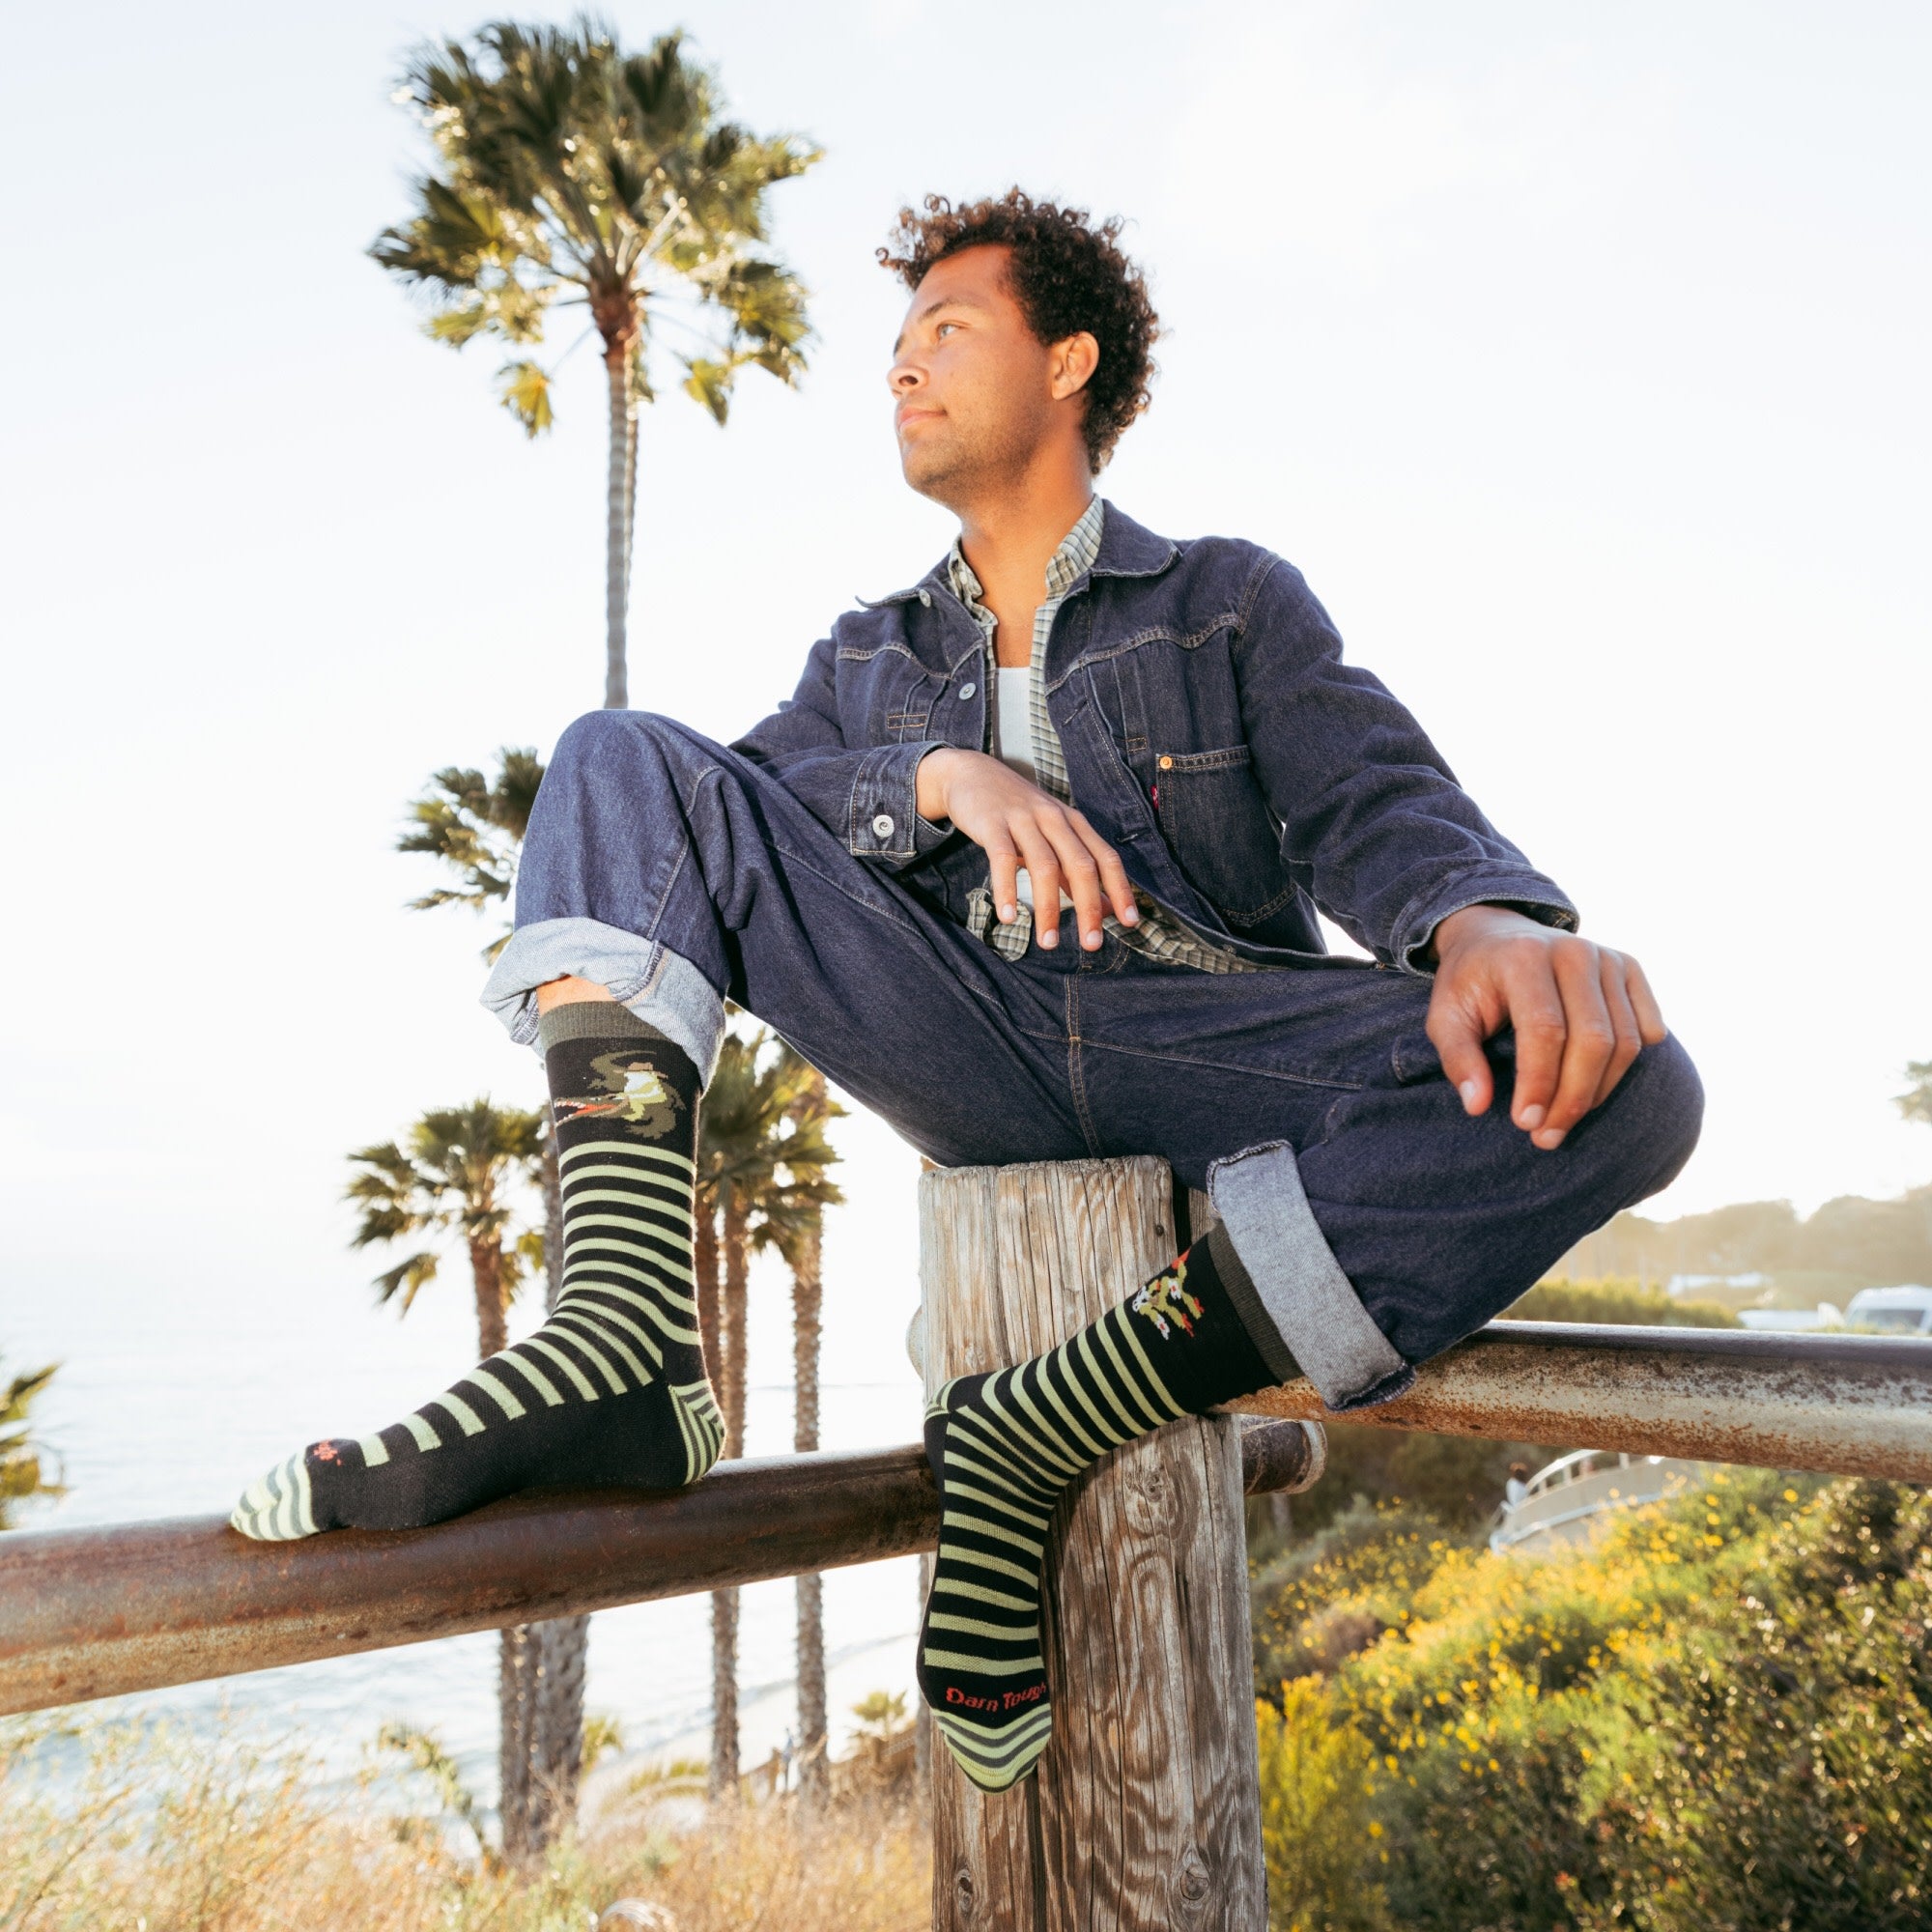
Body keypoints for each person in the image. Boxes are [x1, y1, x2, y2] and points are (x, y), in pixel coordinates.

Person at [233, 190, 1702, 1792]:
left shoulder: (1225, 598)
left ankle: (1039, 1418)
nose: (901, 368)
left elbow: (1373, 794)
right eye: (897, 343)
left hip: (1215, 1048)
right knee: (616, 758)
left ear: (1068, 363)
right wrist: (934, 776)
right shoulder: (864, 655)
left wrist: (1483, 926)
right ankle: (622, 1340)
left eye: (947, 329)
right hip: (960, 1036)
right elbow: (737, 812)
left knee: (1636, 1083)